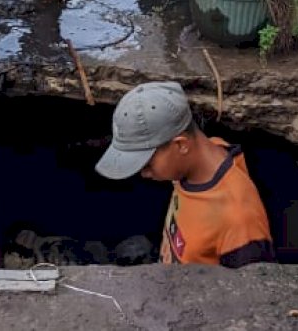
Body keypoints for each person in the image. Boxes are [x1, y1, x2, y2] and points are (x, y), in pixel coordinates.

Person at [96, 82, 277, 267]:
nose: (143, 173)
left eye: (147, 163)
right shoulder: (198, 160)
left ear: (181, 145)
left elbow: (253, 291)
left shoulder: (239, 221)